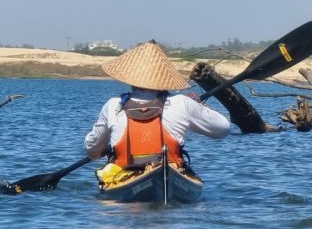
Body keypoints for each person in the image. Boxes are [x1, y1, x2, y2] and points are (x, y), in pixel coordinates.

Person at [84, 40, 230, 185]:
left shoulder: (113, 105)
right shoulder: (182, 103)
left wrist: (103, 151)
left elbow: (92, 149)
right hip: (172, 173)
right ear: (164, 77)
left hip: (126, 181)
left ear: (129, 77)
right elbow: (223, 129)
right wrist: (199, 107)